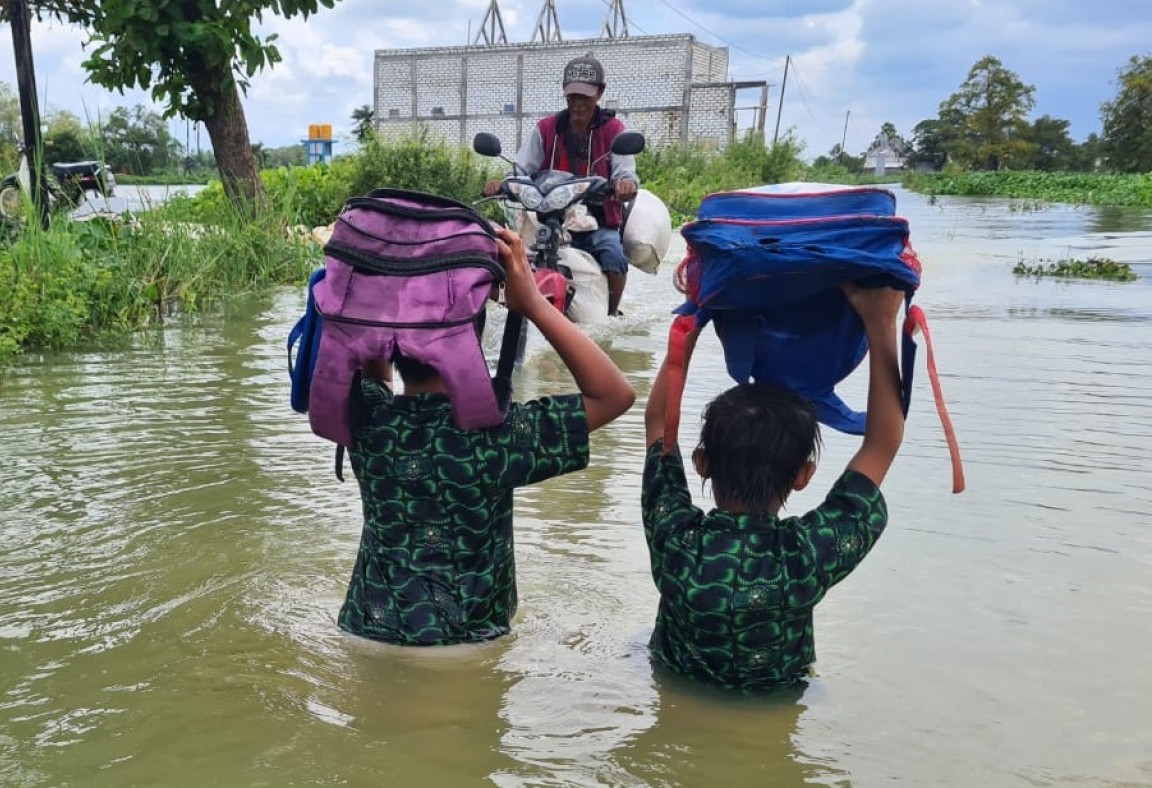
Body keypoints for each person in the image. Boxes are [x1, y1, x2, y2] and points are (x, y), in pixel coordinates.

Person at [337, 227, 636, 646]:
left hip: (365, 631)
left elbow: (372, 365)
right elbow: (615, 394)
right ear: (471, 340)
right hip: (464, 643)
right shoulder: (496, 435)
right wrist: (532, 302)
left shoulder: (367, 418)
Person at [640, 282, 907, 692]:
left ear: (702, 463)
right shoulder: (806, 556)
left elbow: (658, 424)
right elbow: (882, 445)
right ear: (804, 475)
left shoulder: (675, 541)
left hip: (671, 688)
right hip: (777, 708)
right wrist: (881, 320)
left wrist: (694, 317)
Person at [484, 53, 639, 316]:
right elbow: (522, 169)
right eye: (572, 97)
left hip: (596, 222)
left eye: (585, 97)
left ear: (599, 94)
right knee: (505, 254)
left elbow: (627, 172)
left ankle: (612, 314)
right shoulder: (546, 129)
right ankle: (508, 307)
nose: (577, 104)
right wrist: (502, 184)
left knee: (614, 256)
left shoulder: (614, 130)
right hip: (547, 219)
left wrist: (624, 184)